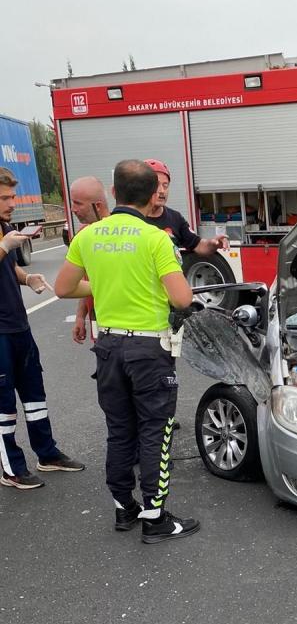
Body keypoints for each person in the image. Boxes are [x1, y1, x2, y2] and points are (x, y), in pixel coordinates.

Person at [54, 159, 199, 543]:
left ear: (114, 193)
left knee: (120, 430)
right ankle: (156, 518)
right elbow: (182, 298)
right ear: (154, 195)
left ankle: (124, 508)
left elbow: (64, 288)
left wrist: (101, 286)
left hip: (109, 347)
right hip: (149, 349)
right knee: (155, 430)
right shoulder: (156, 239)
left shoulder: (89, 237)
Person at [0, 166, 85, 489]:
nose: (12, 203)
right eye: (5, 198)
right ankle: (11, 470)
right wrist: (6, 247)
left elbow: (7, 267)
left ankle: (46, 454)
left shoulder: (4, 227)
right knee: (4, 404)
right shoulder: (5, 237)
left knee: (34, 394)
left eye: (12, 196)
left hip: (19, 325)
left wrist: (27, 277)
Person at [144, 159, 228, 258]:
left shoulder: (175, 218)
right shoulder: (131, 218)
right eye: (156, 185)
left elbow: (198, 245)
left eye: (165, 185)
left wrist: (213, 244)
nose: (162, 191)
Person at [69, 177, 110, 345]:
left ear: (98, 206)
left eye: (78, 203)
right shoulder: (83, 235)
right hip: (96, 317)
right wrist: (80, 317)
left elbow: (64, 288)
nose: (73, 209)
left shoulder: (118, 234)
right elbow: (84, 278)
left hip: (123, 323)